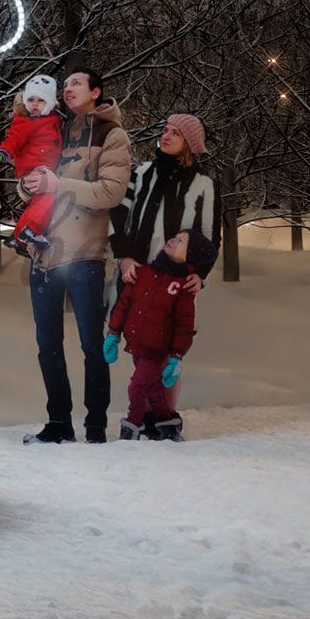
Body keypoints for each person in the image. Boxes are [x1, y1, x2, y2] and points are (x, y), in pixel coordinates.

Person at [19, 67, 132, 445]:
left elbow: (111, 192)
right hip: (44, 254)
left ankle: (95, 426)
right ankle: (59, 424)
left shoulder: (111, 134)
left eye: (76, 84)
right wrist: (28, 184)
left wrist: (58, 184)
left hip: (85, 254)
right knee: (48, 345)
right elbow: (36, 180)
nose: (68, 89)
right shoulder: (54, 128)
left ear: (96, 91)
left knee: (91, 345)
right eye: (64, 85)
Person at [111, 112, 219, 428]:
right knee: (141, 343)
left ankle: (161, 414)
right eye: (166, 130)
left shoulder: (203, 185)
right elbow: (117, 217)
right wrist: (124, 257)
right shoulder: (141, 173)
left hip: (175, 281)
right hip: (138, 273)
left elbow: (209, 236)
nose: (166, 136)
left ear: (190, 143)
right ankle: (152, 413)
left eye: (176, 133)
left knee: (167, 348)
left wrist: (200, 273)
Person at [104, 226, 218, 440]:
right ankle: (167, 423)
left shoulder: (183, 287)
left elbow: (184, 325)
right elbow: (124, 304)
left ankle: (132, 426)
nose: (173, 240)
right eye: (175, 237)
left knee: (137, 386)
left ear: (189, 256)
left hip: (156, 349)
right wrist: (113, 332)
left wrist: (176, 356)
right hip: (136, 343)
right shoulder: (144, 272)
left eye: (181, 241)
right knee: (153, 388)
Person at [0, 74, 63, 255]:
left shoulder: (53, 119)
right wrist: (4, 152)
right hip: (35, 167)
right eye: (31, 100)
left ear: (50, 103)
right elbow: (14, 138)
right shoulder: (27, 121)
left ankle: (18, 238)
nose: (35, 104)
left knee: (38, 203)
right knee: (48, 198)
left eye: (41, 100)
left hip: (44, 166)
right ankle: (30, 231)